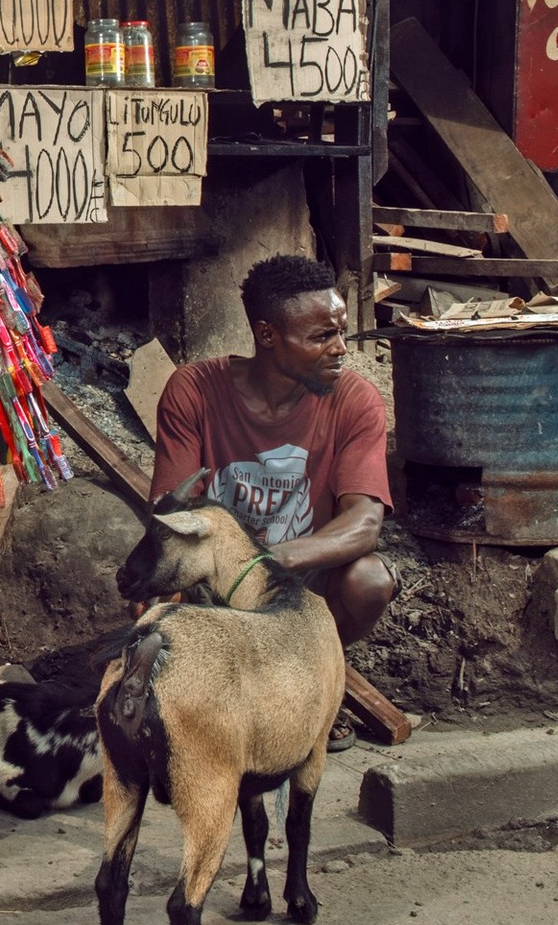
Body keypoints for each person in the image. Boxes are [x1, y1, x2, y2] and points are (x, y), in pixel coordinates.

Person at [150, 252, 396, 749]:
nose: (340, 349)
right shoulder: (193, 390)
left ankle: (305, 675)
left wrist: (267, 560)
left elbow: (365, 524)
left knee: (369, 579)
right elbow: (170, 512)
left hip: (304, 587)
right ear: (267, 336)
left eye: (341, 332)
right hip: (215, 583)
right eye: (321, 337)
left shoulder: (356, 400)